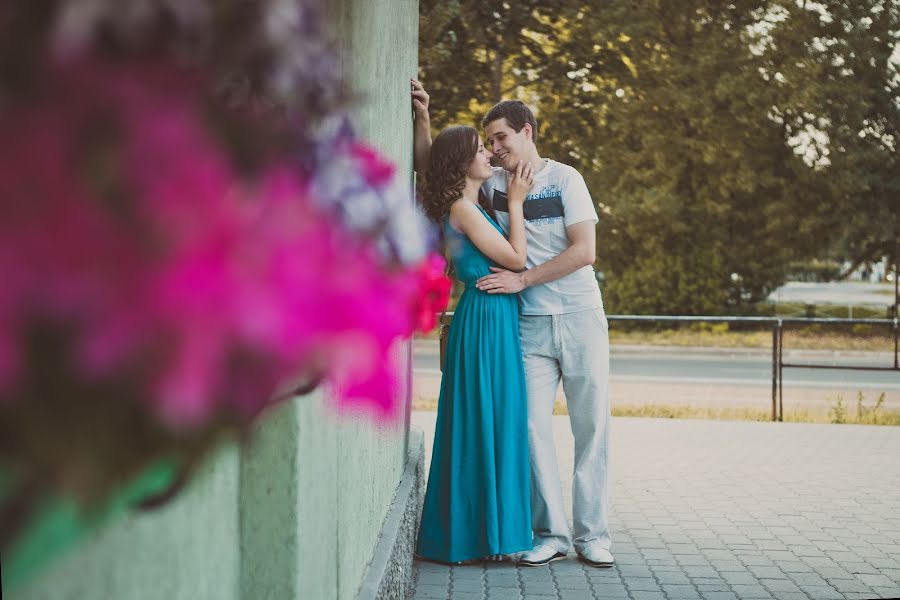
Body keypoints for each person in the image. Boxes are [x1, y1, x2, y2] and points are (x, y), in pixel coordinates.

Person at [412, 80, 614, 569]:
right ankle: (552, 534)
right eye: (488, 143)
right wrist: (423, 121)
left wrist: (524, 281)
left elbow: (584, 252)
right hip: (526, 324)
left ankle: (593, 535)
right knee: (530, 428)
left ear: (526, 131)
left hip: (579, 314)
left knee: (592, 427)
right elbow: (437, 170)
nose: (495, 149)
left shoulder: (566, 179)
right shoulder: (494, 188)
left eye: (501, 138)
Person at [413, 119, 535, 564]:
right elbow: (517, 259)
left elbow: (429, 162)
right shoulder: (463, 210)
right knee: (488, 417)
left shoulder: (465, 203)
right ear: (462, 163)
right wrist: (517, 203)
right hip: (486, 316)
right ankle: (481, 535)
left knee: (484, 417)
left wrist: (423, 119)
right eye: (480, 149)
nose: (489, 154)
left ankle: (481, 533)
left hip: (487, 316)